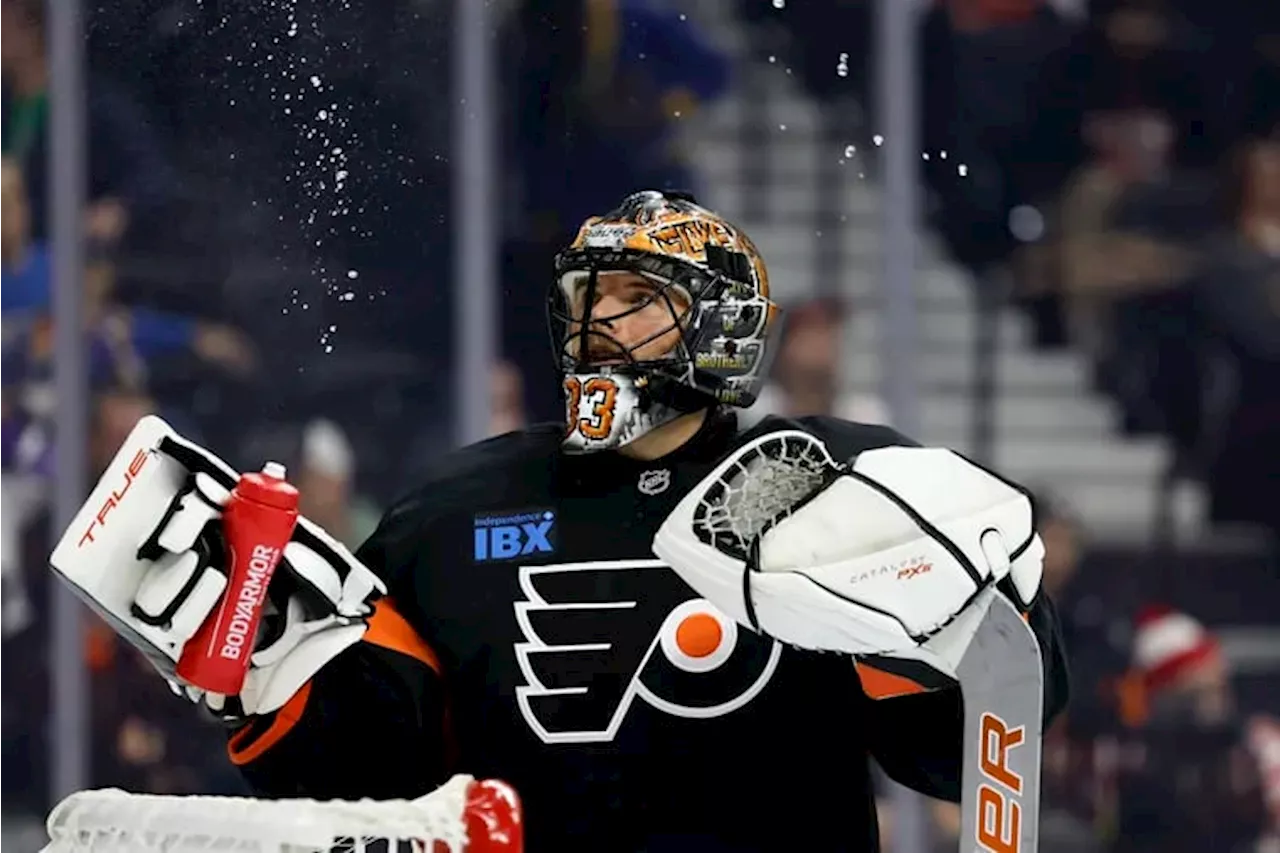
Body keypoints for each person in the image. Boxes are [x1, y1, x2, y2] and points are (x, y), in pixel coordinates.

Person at [58, 191, 1069, 851]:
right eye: (586, 298)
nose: (594, 327)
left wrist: (961, 634)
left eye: (634, 300)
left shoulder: (830, 479)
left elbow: (969, 748)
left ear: (719, 325)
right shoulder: (452, 512)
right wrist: (268, 678)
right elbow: (385, 786)